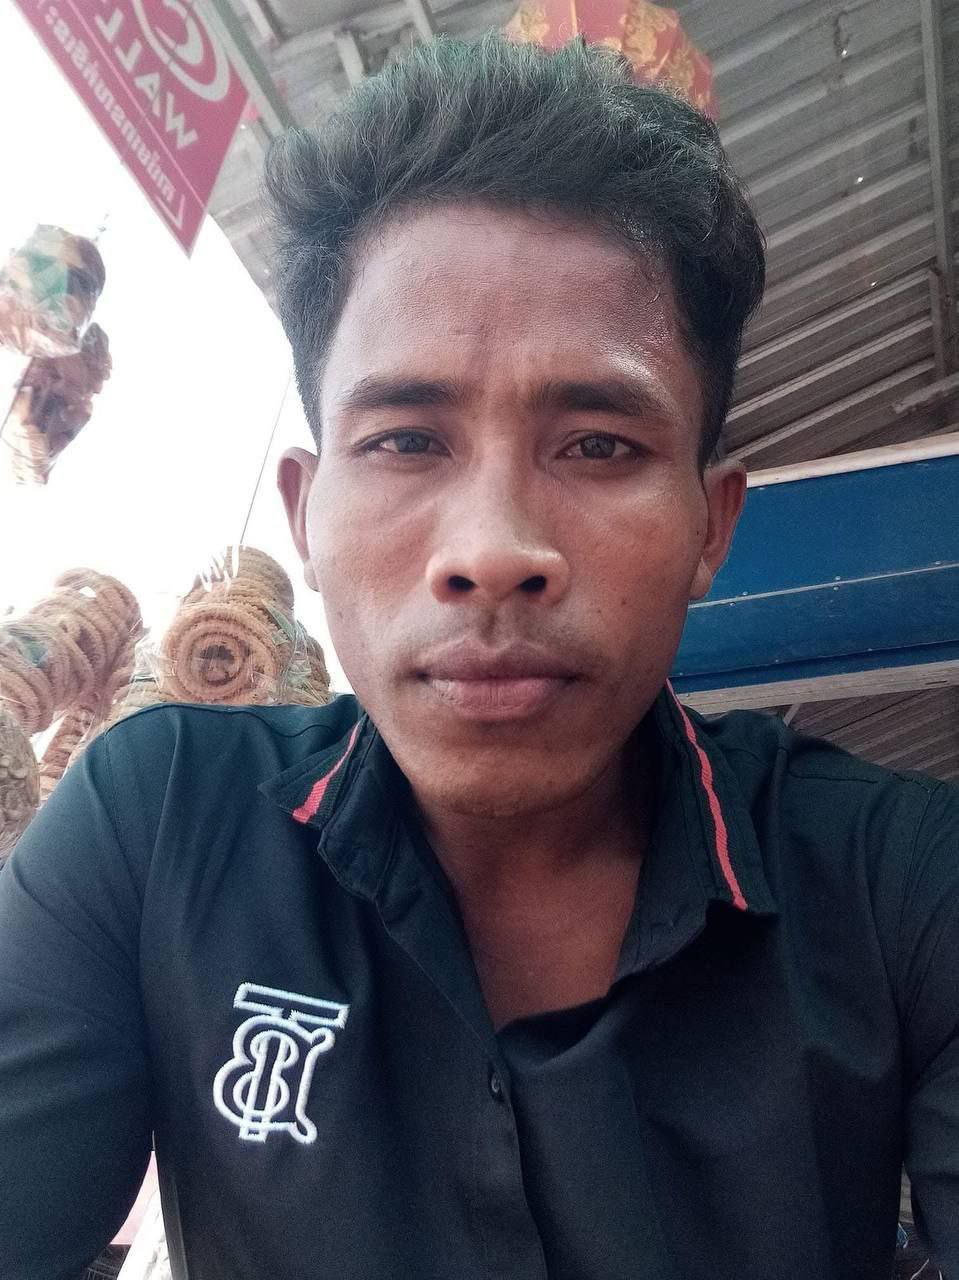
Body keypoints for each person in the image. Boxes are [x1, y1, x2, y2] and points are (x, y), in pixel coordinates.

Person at [0, 34, 956, 1280]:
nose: (492, 551)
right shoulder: (156, 825)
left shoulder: (901, 888)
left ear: (710, 526)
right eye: (405, 440)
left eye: (598, 445)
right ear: (303, 514)